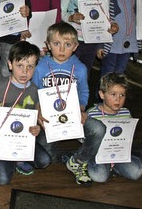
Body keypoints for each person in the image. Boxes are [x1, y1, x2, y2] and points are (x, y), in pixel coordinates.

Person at [32, 22, 105, 186]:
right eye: (57, 44)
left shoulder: (80, 68)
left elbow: (84, 92)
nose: (62, 49)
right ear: (48, 45)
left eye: (67, 44)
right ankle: (69, 153)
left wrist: (80, 108)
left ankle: (78, 160)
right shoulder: (40, 66)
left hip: (71, 115)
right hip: (48, 120)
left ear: (75, 46)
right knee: (47, 158)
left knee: (99, 129)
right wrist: (37, 110)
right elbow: (33, 90)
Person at [0, 41, 45, 184]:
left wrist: (36, 128)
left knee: (44, 161)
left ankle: (17, 160)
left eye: (30, 66)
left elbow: (35, 115)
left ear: (35, 67)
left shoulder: (34, 90)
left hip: (21, 139)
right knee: (2, 179)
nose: (25, 72)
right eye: (20, 66)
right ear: (10, 64)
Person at [86, 73, 142, 182]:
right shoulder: (91, 114)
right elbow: (83, 141)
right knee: (99, 177)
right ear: (102, 94)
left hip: (118, 154)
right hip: (98, 155)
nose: (118, 99)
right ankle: (101, 166)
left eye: (122, 95)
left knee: (136, 172)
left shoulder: (126, 113)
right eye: (113, 94)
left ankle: (114, 167)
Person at [97, 0, 141, 76]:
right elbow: (100, 22)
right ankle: (103, 94)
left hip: (128, 42)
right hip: (111, 44)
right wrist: (100, 46)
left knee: (120, 72)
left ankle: (116, 94)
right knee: (108, 72)